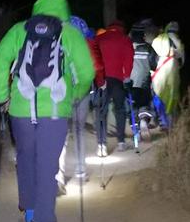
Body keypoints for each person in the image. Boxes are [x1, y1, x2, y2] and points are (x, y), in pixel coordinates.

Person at [0, 0, 94, 222]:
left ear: (37, 7)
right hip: (55, 112)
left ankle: (29, 215)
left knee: (25, 159)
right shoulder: (70, 34)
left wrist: (2, 97)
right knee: (47, 170)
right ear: (64, 9)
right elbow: (86, 71)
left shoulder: (18, 30)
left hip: (21, 110)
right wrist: (75, 95)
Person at [56, 15, 105, 192]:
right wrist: (100, 83)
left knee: (61, 133)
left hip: (61, 93)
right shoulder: (88, 44)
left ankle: (59, 176)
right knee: (78, 130)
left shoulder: (58, 43)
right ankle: (81, 170)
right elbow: (98, 67)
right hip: (82, 92)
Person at [95, 20, 135, 155]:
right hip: (118, 79)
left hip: (102, 79)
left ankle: (102, 144)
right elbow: (129, 59)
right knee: (120, 109)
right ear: (121, 28)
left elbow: (94, 57)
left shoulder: (99, 38)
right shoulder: (125, 40)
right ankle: (121, 142)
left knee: (102, 111)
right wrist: (127, 76)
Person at [129, 18, 159, 124]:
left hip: (129, 82)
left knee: (132, 103)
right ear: (143, 34)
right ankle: (143, 119)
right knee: (145, 101)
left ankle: (135, 123)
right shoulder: (148, 48)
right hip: (144, 82)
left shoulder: (127, 47)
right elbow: (154, 65)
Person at [150, 29, 180, 130]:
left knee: (158, 97)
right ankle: (170, 123)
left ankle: (163, 121)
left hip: (159, 74)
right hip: (172, 72)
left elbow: (151, 62)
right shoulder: (174, 46)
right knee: (171, 98)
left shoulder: (155, 45)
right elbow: (181, 58)